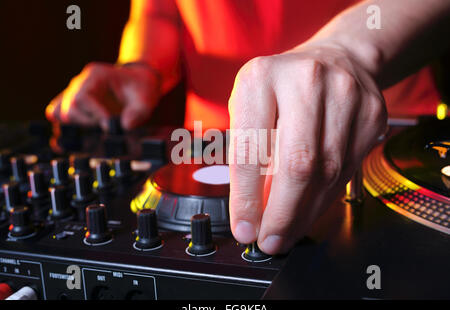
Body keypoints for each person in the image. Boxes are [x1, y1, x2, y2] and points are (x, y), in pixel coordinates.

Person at [45, 0, 450, 255]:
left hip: (384, 145)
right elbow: (157, 10)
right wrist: (141, 66)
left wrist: (345, 49)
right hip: (205, 144)